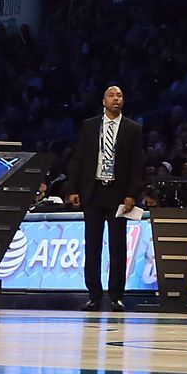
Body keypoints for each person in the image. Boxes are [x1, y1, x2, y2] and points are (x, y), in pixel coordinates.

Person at [65, 84, 144, 312]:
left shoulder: (132, 128)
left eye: (120, 95)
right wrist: (73, 189)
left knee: (118, 246)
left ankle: (117, 295)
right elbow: (79, 159)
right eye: (111, 95)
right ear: (103, 101)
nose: (116, 98)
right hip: (93, 190)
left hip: (118, 193)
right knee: (93, 245)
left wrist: (132, 194)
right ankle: (94, 295)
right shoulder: (90, 126)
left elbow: (136, 164)